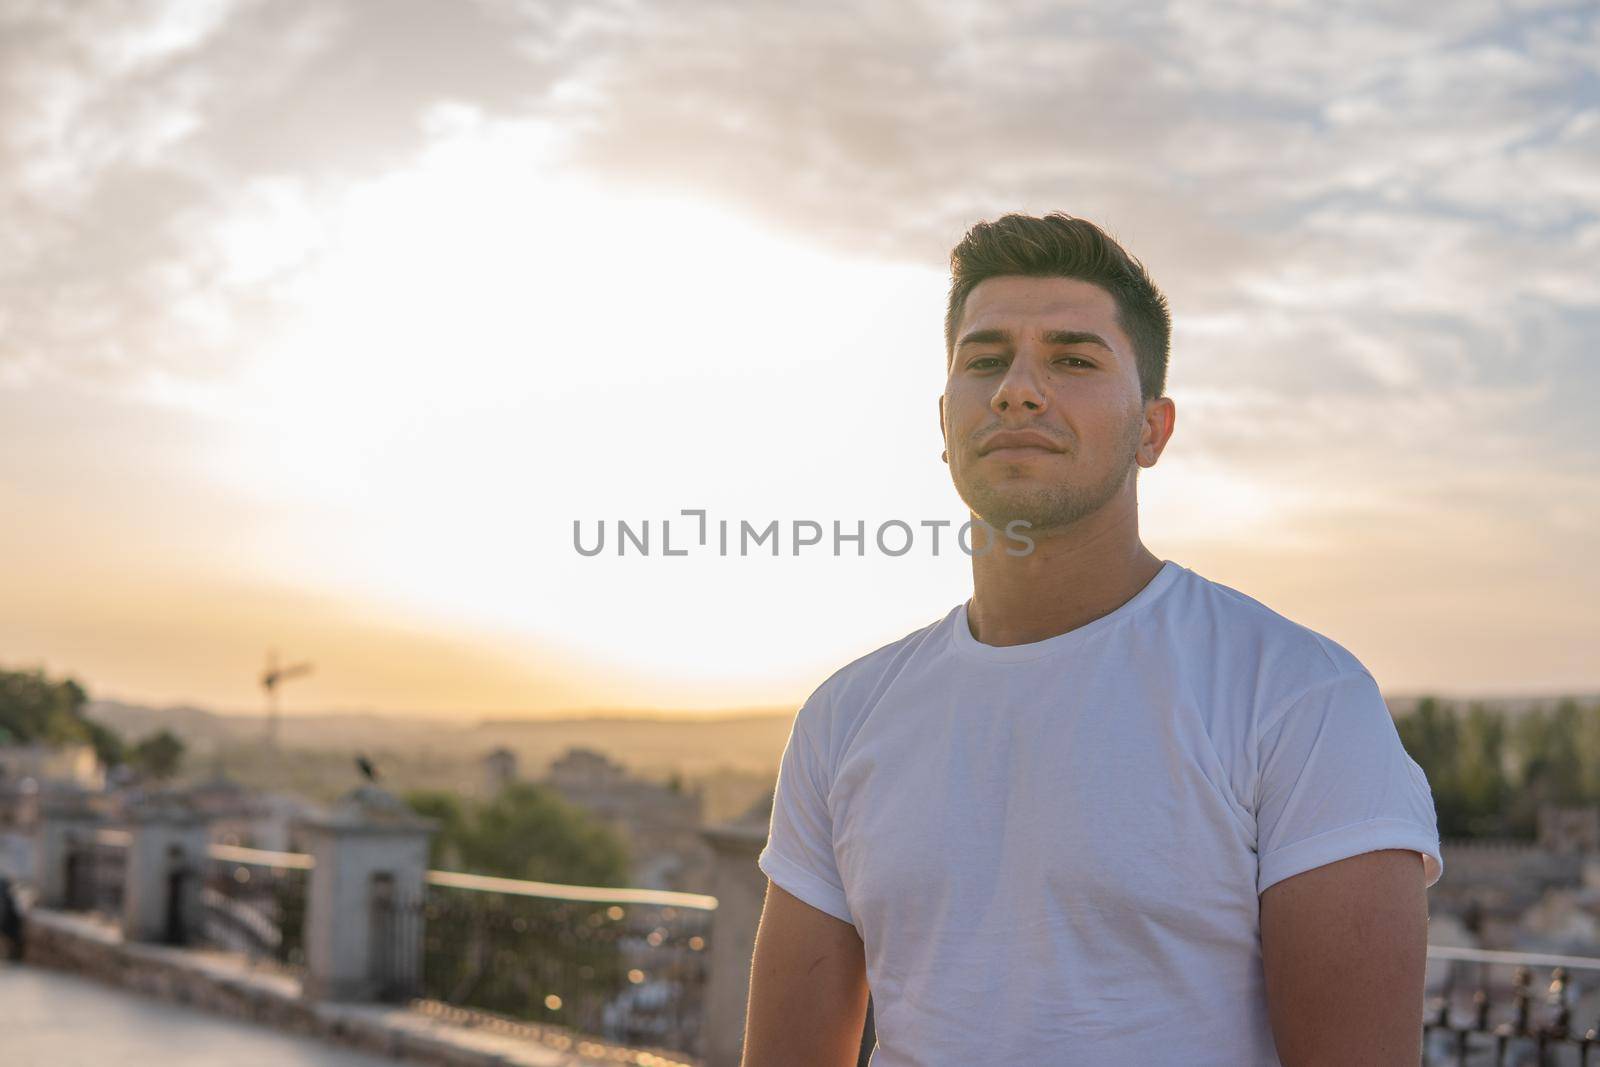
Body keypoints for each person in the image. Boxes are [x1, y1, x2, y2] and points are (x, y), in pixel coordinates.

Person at [741, 212, 1443, 1067]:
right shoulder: (843, 717)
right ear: (944, 422)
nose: (1018, 389)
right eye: (985, 358)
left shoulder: (1297, 695)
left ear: (1153, 429)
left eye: (1074, 358)